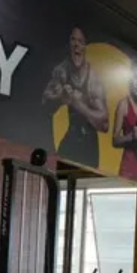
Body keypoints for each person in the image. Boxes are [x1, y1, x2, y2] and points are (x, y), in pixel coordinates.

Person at [42, 27, 109, 168]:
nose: (76, 44)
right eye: (73, 40)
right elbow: (44, 104)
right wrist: (61, 97)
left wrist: (80, 105)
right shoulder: (61, 71)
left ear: (85, 45)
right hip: (71, 138)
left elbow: (104, 124)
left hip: (90, 145)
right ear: (69, 43)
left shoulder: (93, 79)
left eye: (80, 41)